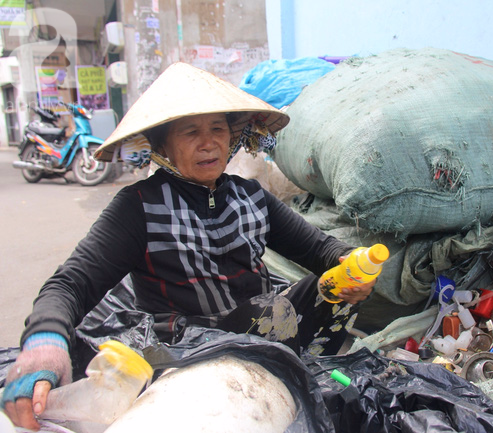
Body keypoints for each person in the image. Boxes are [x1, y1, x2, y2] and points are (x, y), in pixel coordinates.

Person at [1, 63, 375, 430]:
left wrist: (351, 265)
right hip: (186, 348)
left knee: (331, 288)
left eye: (218, 129)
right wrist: (44, 341)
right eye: (190, 132)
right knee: (274, 310)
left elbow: (320, 249)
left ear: (232, 137)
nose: (208, 142)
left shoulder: (252, 197)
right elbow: (71, 284)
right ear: (162, 144)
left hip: (261, 331)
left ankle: (295, 384)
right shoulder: (138, 206)